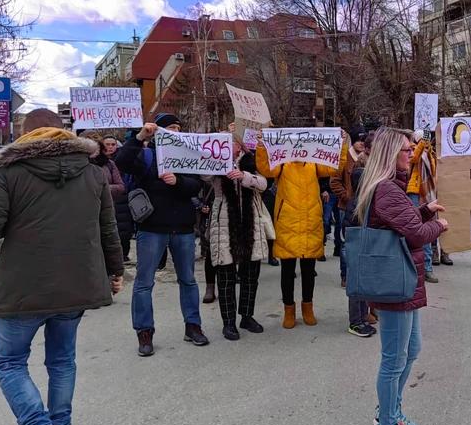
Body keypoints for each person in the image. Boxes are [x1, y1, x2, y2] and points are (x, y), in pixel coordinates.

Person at [0, 111, 124, 425]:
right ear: (62, 133)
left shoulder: (4, 171)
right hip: (76, 284)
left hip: (22, 287)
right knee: (62, 359)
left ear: (24, 134)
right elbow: (108, 228)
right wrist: (115, 271)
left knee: (8, 361)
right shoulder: (93, 172)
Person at [351, 128, 446, 425]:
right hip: (396, 283)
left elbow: (403, 224)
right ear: (392, 154)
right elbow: (416, 234)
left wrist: (425, 210)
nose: (412, 154)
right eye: (407, 150)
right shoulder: (388, 189)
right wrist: (438, 225)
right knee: (394, 358)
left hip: (403, 281)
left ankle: (390, 411)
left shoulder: (391, 187)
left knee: (411, 349)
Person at [114, 113, 208, 356]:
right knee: (144, 283)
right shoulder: (146, 154)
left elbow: (197, 186)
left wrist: (178, 182)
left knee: (188, 280)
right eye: (171, 127)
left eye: (178, 127)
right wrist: (138, 138)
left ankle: (193, 325)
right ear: (158, 131)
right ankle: (144, 331)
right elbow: (121, 162)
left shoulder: (187, 154)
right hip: (151, 228)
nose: (176, 131)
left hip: (183, 228)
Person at [256, 133, 347, 328]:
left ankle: (308, 308)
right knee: (287, 271)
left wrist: (341, 144)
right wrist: (262, 146)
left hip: (310, 222)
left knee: (308, 270)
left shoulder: (314, 164)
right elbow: (265, 169)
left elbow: (335, 166)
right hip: (287, 223)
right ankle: (288, 310)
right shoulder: (282, 163)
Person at [206, 132, 269, 341]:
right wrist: (215, 161)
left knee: (251, 275)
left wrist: (244, 177)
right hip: (224, 222)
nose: (225, 145)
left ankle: (247, 316)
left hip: (251, 222)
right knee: (225, 275)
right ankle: (229, 322)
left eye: (229, 142)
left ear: (239, 146)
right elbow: (202, 176)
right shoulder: (213, 159)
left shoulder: (252, 160)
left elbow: (264, 184)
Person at [341, 161, 377, 338]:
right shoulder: (355, 203)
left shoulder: (364, 201)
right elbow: (348, 229)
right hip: (356, 250)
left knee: (363, 287)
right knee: (356, 287)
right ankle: (355, 322)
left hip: (364, 250)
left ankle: (363, 318)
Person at [331, 124, 367, 287]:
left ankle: (359, 274)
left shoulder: (367, 158)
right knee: (345, 243)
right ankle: (345, 275)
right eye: (359, 140)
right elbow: (334, 181)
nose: (361, 143)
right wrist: (347, 197)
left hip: (364, 206)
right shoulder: (344, 158)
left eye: (363, 139)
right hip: (346, 207)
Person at [407, 131, 438, 283]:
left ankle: (427, 267)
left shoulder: (430, 153)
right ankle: (418, 266)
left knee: (426, 228)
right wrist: (421, 144)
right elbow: (414, 158)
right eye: (425, 138)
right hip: (414, 192)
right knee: (417, 227)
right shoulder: (412, 149)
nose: (428, 140)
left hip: (427, 193)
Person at [102, 135, 133, 263]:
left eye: (113, 144)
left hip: (121, 198)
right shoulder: (96, 161)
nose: (110, 147)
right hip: (105, 199)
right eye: (107, 144)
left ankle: (123, 254)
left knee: (123, 228)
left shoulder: (121, 160)